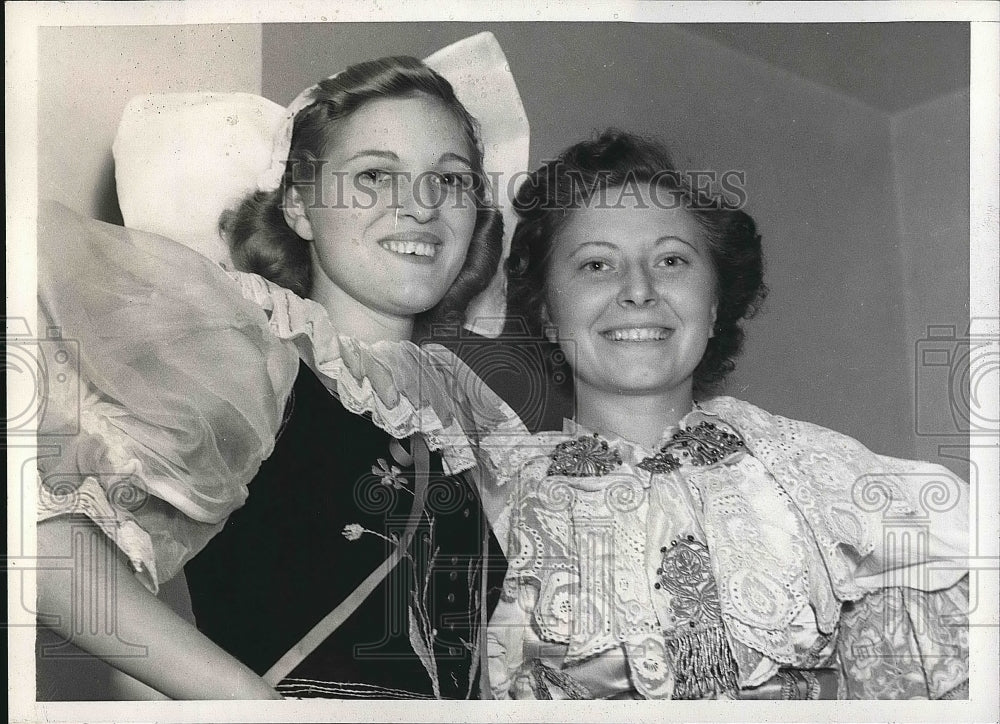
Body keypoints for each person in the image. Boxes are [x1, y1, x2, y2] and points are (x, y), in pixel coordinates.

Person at [36, 34, 528, 700]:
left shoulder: (477, 412)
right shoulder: (249, 342)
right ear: (298, 204)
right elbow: (49, 556)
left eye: (450, 178)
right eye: (375, 175)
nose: (421, 205)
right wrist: (250, 704)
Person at [485, 130, 970, 700]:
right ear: (545, 311)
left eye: (671, 260)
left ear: (713, 305)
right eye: (596, 265)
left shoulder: (819, 476)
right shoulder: (494, 494)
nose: (638, 290)